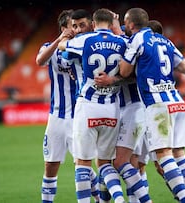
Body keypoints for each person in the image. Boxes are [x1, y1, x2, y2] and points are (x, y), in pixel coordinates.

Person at [118, 7, 185, 203]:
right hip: (177, 102)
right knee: (179, 153)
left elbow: (125, 71)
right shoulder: (165, 40)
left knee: (164, 155)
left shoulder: (138, 39)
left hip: (158, 104)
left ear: (131, 24)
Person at [58, 8, 129, 203]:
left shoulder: (84, 40)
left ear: (94, 24)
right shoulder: (123, 42)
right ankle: (119, 198)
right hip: (112, 109)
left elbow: (64, 49)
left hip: (88, 106)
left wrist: (66, 38)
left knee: (83, 163)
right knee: (105, 163)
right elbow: (130, 71)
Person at [35, 9, 99, 203]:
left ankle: (97, 199)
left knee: (83, 165)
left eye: (79, 26)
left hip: (79, 116)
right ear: (64, 28)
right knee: (50, 166)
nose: (77, 29)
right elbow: (40, 61)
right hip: (56, 116)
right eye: (73, 26)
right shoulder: (50, 47)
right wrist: (59, 40)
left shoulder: (82, 47)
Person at [94, 13, 152, 203]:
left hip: (134, 108)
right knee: (130, 163)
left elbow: (135, 74)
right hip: (124, 110)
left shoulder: (131, 44)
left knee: (117, 162)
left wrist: (112, 79)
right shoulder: (122, 43)